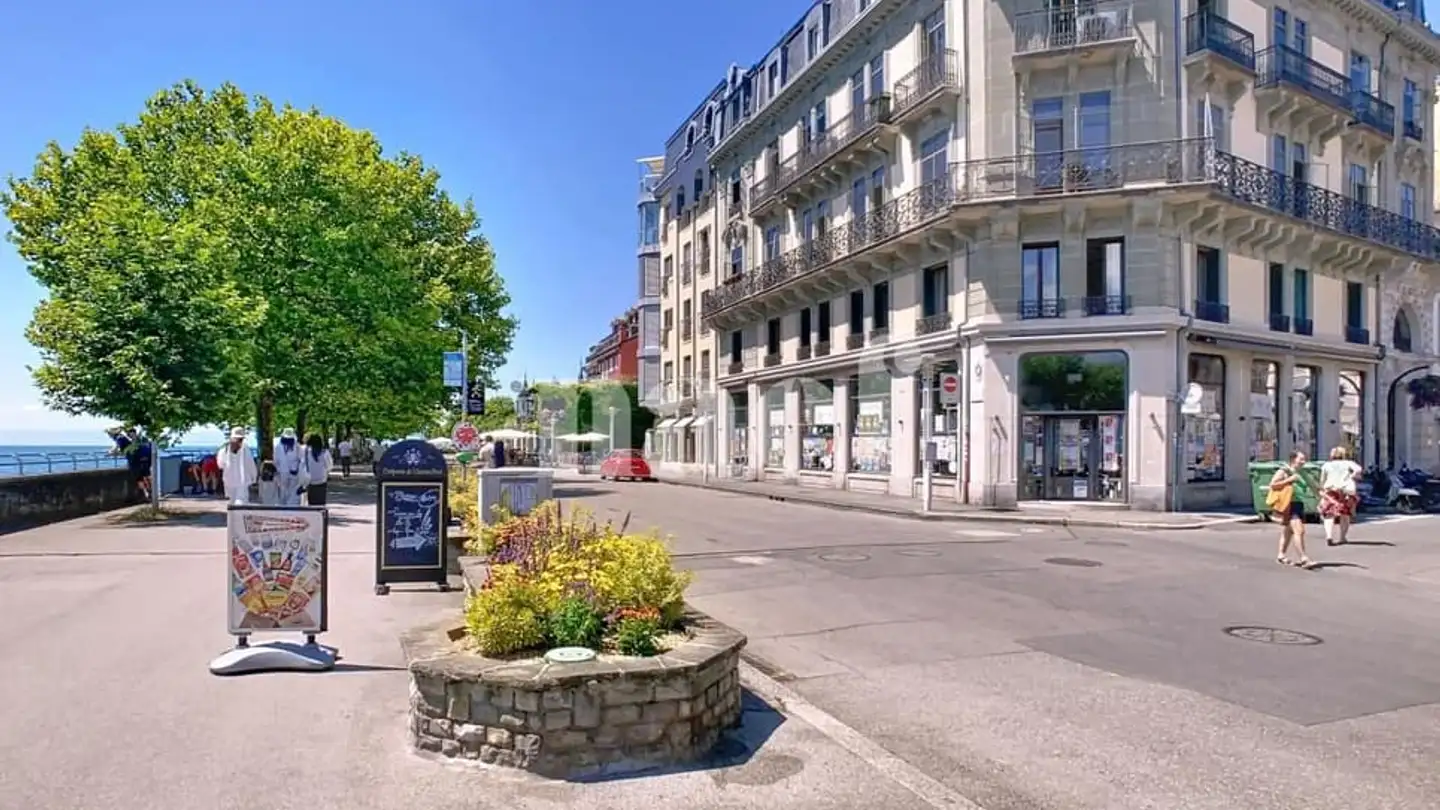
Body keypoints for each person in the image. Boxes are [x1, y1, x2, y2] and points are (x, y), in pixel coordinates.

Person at [1267, 450, 1312, 568]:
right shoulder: (1284, 471)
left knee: (1288, 531)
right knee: (1299, 530)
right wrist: (1289, 480)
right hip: (1289, 504)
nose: (1303, 461)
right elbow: (1272, 485)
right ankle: (1303, 558)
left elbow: (1312, 485)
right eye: (1301, 459)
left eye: (1304, 459)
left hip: (1298, 503)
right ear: (1293, 460)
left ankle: (1281, 555)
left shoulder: (1301, 472)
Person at [1319, 445, 1362, 546]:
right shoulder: (1348, 463)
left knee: (1329, 514)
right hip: (1345, 491)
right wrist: (1351, 476)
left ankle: (1329, 536)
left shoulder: (1326, 465)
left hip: (1330, 491)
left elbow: (1322, 480)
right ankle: (1342, 537)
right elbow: (1359, 469)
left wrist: (1322, 489)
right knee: (1345, 515)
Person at [216, 427, 258, 505]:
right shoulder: (245, 448)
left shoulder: (224, 448)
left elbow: (220, 465)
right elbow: (250, 464)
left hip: (229, 480)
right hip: (242, 480)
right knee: (241, 502)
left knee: (232, 502)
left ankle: (233, 517)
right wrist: (254, 477)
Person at [274, 428, 308, 506]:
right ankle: (283, 508)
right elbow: (276, 461)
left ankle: (293, 508)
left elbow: (301, 459)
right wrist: (278, 470)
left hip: (294, 473)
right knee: (283, 492)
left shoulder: (297, 446)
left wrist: (297, 469)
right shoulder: (278, 447)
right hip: (282, 473)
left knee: (294, 493)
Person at [303, 433, 333, 506]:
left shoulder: (306, 451)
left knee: (311, 502)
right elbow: (329, 466)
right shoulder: (325, 452)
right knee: (321, 502)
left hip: (310, 480)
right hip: (321, 480)